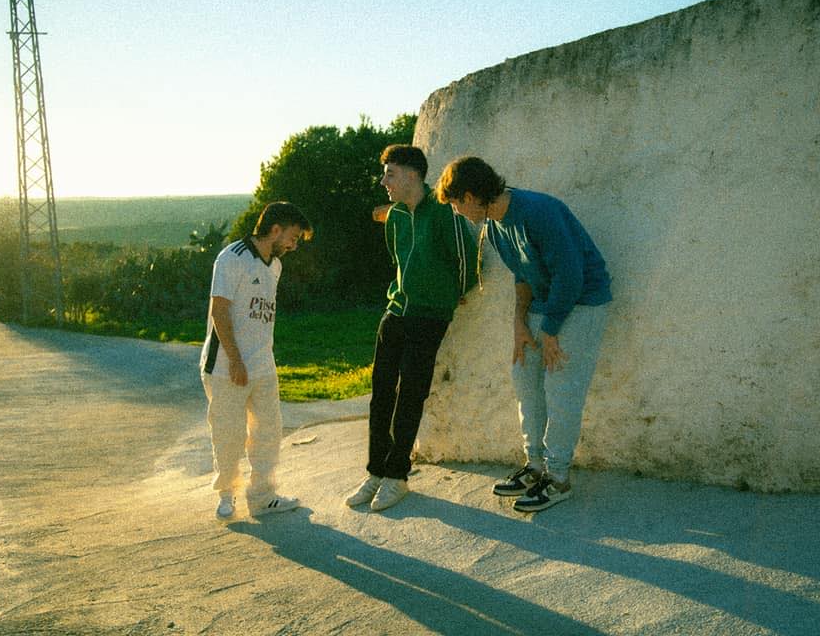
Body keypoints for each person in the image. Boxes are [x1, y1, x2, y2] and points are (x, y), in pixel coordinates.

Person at [435, 156, 612, 512]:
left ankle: (558, 478)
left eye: (455, 203)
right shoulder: (494, 225)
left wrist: (550, 331)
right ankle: (534, 467)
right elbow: (523, 275)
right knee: (524, 378)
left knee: (560, 387)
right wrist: (520, 323)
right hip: (543, 305)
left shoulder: (537, 212)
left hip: (581, 303)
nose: (456, 211)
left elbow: (571, 275)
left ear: (471, 196)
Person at [345, 145, 478, 512]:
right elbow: (398, 261)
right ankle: (375, 471)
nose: (384, 181)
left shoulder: (444, 212)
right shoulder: (397, 217)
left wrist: (448, 295)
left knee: (410, 395)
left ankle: (397, 476)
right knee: (381, 393)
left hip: (430, 315)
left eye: (390, 173)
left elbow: (468, 264)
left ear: (412, 175)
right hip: (396, 310)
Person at [200, 202, 313, 519]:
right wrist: (235, 361)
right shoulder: (231, 258)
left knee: (268, 432)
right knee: (229, 434)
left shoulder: (274, 266)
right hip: (226, 366)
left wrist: (259, 359)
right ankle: (227, 494)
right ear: (275, 229)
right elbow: (219, 310)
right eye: (292, 237)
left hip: (262, 364)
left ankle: (262, 497)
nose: (293, 245)